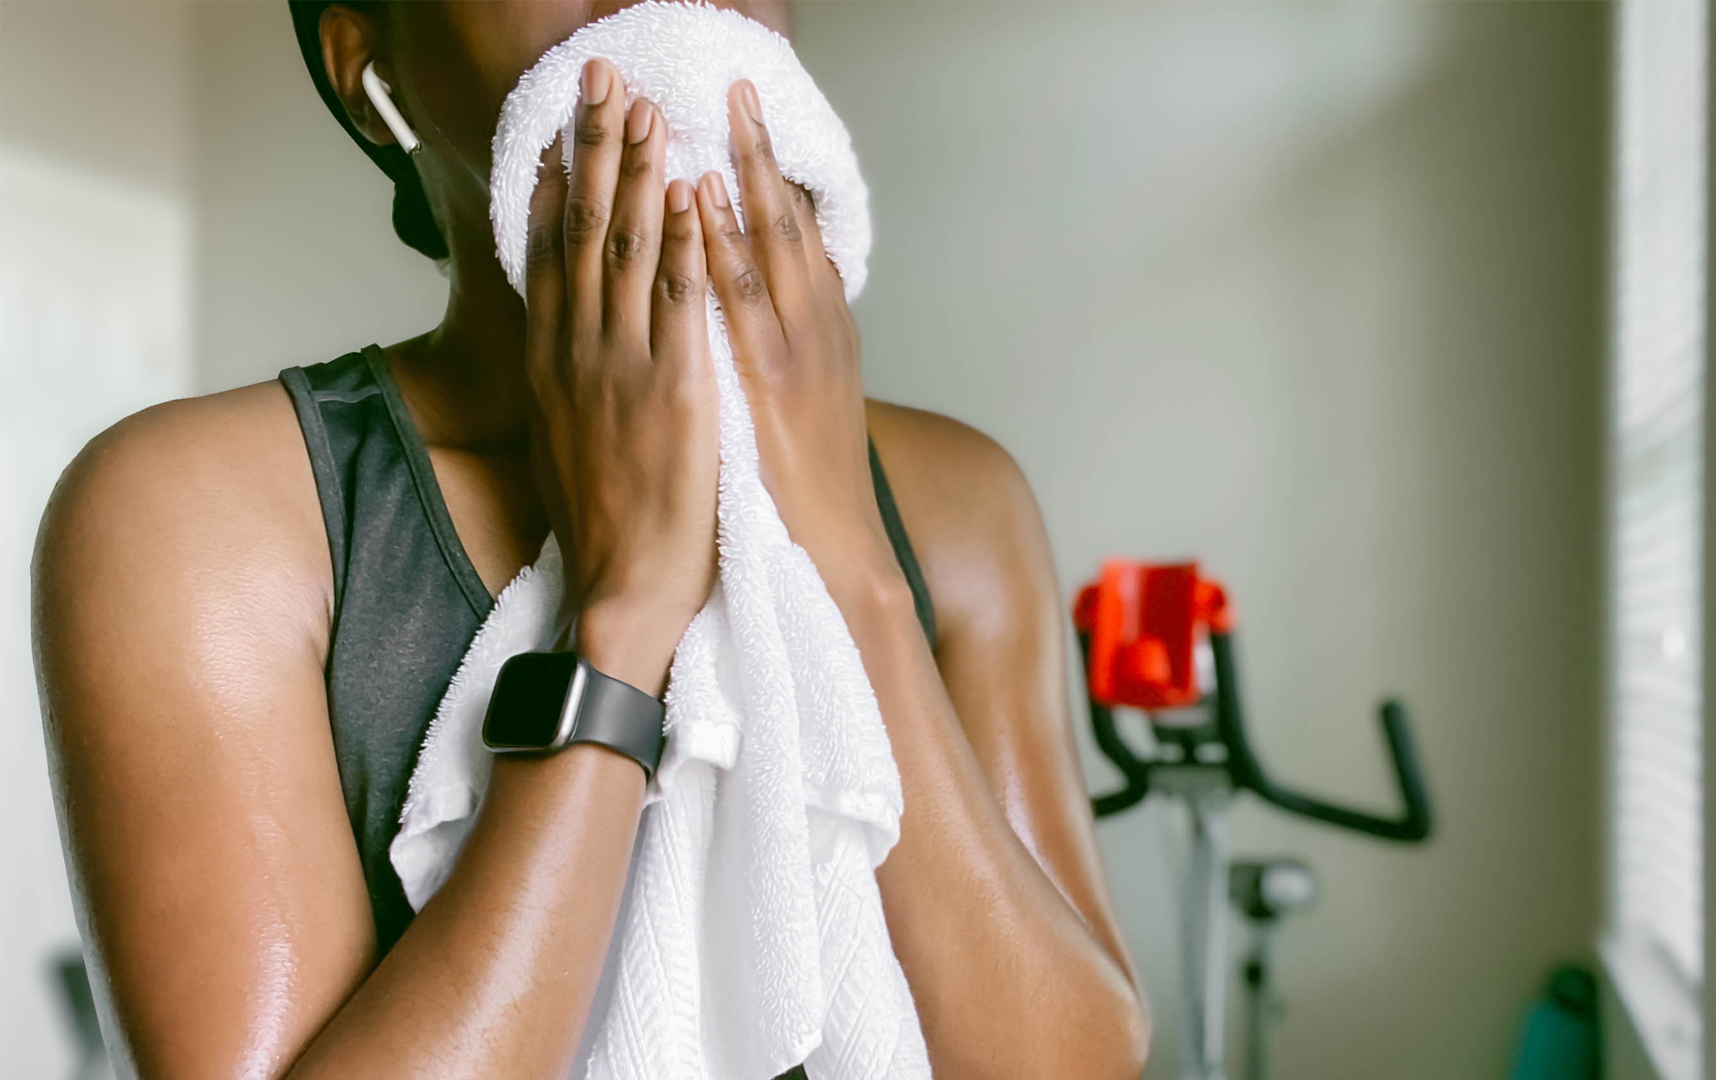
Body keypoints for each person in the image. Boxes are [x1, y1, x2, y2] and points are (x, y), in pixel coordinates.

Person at [31, 2, 1148, 1078]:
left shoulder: (958, 502)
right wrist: (622, 617)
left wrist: (844, 553)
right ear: (370, 73)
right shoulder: (200, 517)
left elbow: (1067, 1063)